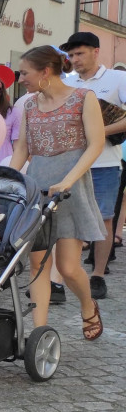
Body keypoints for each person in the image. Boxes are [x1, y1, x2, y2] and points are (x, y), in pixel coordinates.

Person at [11, 45, 106, 341]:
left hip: (71, 187)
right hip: (38, 188)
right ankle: (38, 333)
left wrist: (69, 180)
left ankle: (88, 305)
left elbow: (96, 144)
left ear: (45, 71)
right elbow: (23, 149)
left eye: (25, 72)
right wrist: (10, 181)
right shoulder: (28, 105)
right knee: (39, 264)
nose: (21, 77)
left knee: (67, 267)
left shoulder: (83, 97)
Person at [61, 31, 126, 300]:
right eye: (72, 55)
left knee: (104, 220)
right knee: (68, 218)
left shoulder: (117, 78)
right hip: (71, 161)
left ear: (95, 52)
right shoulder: (67, 82)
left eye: (80, 53)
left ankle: (98, 274)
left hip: (104, 162)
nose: (75, 59)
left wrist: (98, 131)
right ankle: (67, 271)